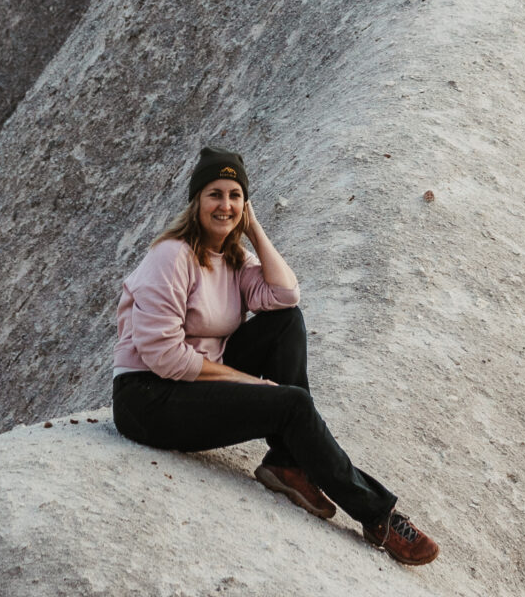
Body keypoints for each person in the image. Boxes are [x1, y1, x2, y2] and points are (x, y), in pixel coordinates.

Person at [112, 143, 438, 566]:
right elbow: (165, 358)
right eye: (215, 194)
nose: (224, 205)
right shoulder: (172, 256)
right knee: (291, 404)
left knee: (287, 321)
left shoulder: (232, 257)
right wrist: (252, 384)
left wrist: (255, 231)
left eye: (235, 196)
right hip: (148, 398)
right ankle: (378, 515)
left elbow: (284, 295)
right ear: (196, 201)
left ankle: (288, 463)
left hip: (192, 383)